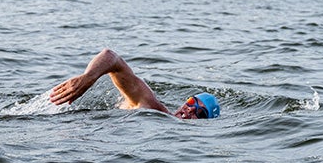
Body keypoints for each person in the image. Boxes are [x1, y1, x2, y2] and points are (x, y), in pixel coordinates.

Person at [49, 48, 220, 119]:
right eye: (191, 102)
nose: (190, 109)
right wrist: (88, 78)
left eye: (201, 113)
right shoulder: (151, 105)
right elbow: (110, 56)